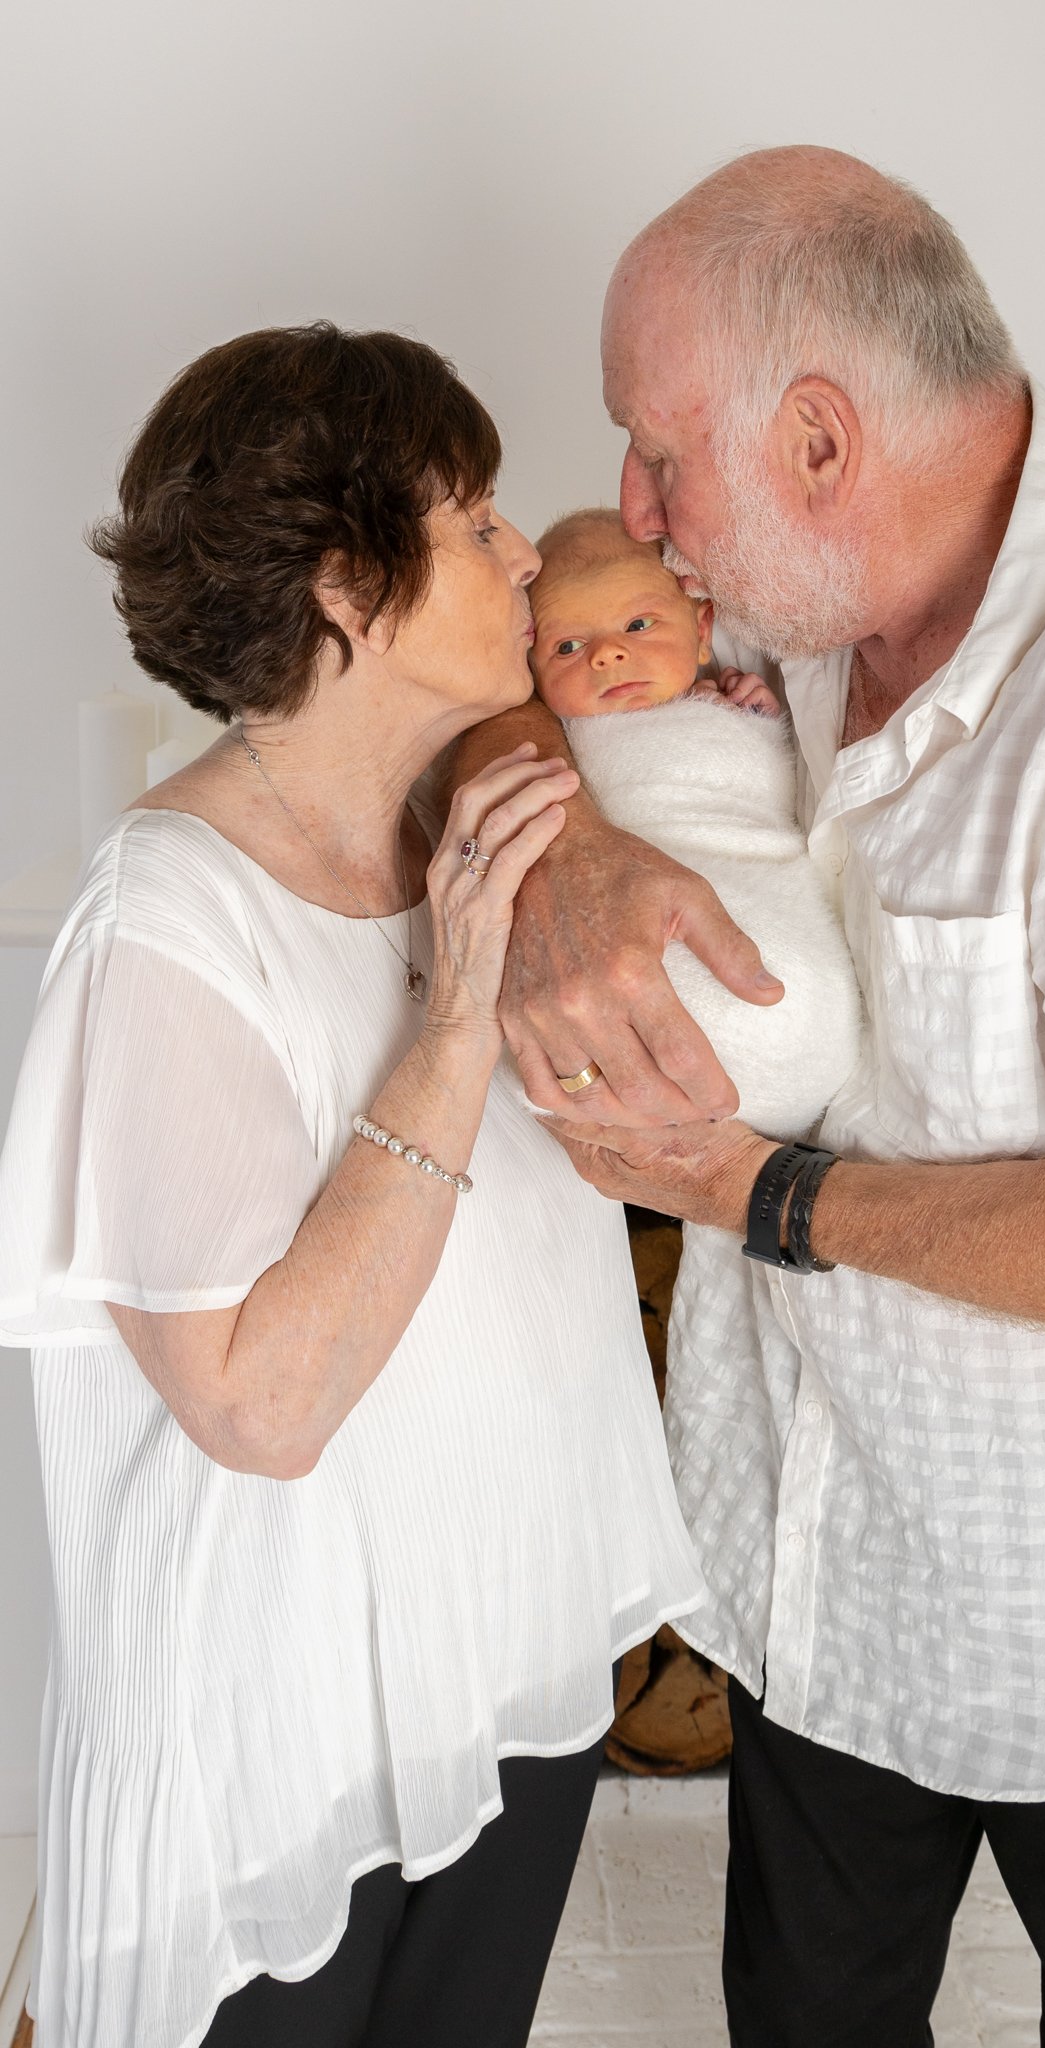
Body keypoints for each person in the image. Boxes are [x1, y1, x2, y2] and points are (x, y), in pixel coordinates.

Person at [455, 148, 1045, 2048]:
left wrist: (761, 1193)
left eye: (654, 453)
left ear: (814, 439)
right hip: (834, 1593)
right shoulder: (792, 602)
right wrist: (574, 849)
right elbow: (512, 658)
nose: (622, 516)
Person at [0, 323, 707, 2048]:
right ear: (347, 593)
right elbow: (261, 1400)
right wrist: (457, 1012)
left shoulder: (468, 822)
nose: (528, 548)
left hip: (504, 1661)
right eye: (470, 520)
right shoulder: (165, 925)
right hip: (280, 1742)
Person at [528, 507, 861, 1141]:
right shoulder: (559, 737)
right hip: (628, 987)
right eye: (568, 646)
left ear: (701, 630)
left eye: (637, 624)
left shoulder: (731, 694)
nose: (608, 655)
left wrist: (751, 724)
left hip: (772, 957)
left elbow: (764, 815)